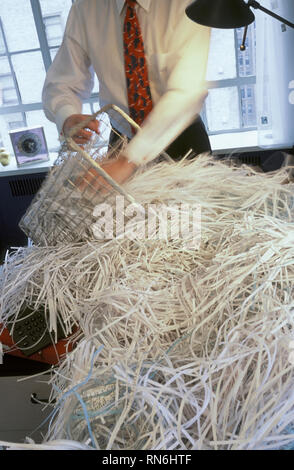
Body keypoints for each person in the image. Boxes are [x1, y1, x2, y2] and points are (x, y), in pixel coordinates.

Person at [42, 0, 211, 186]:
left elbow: (186, 91)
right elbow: (62, 81)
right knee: (118, 214)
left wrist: (129, 160)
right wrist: (66, 115)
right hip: (121, 140)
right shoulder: (86, 8)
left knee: (191, 215)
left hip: (182, 139)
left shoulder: (188, 4)